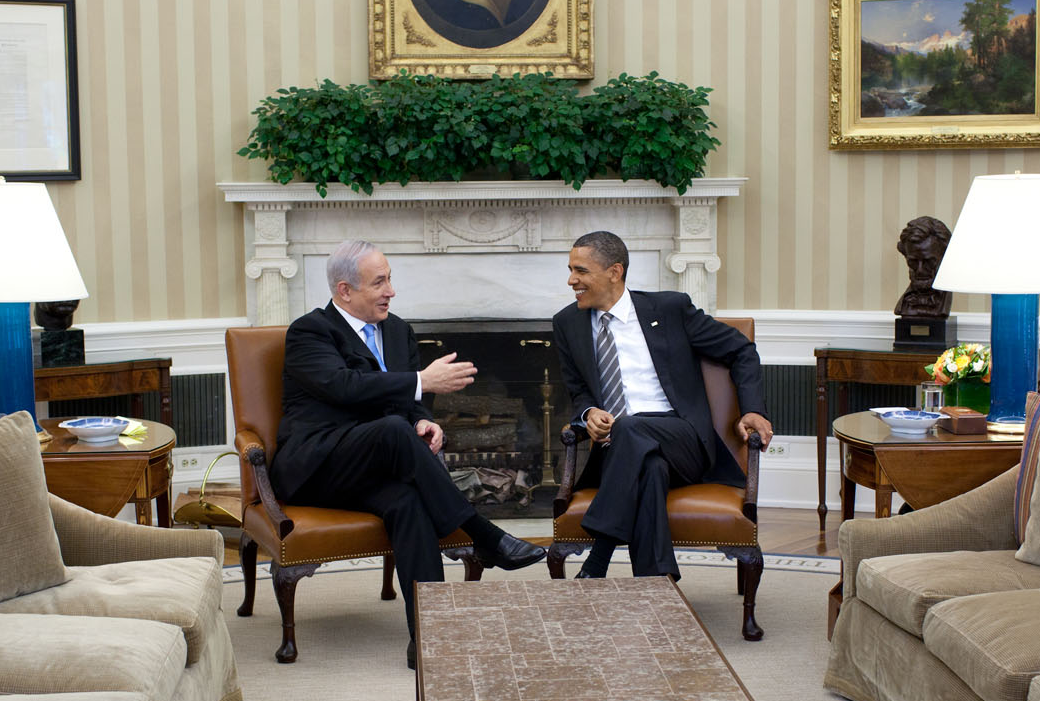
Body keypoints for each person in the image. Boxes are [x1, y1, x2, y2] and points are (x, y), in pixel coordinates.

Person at [271, 239, 545, 666]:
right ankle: (483, 533)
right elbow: (344, 387)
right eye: (379, 282)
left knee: (409, 501)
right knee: (393, 431)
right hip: (318, 468)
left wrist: (423, 419)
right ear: (345, 291)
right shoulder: (311, 332)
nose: (390, 291)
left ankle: (428, 636)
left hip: (378, 467)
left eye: (390, 279)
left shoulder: (399, 331)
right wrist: (420, 383)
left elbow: (409, 404)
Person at [551, 231, 773, 580]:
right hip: (620, 448)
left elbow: (741, 349)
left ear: (614, 271)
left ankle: (599, 556)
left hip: (683, 439)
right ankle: (657, 583)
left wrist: (753, 409)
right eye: (570, 270)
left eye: (580, 271)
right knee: (649, 467)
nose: (571, 280)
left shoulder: (669, 309)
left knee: (630, 426)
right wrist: (589, 413)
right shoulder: (567, 324)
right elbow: (579, 391)